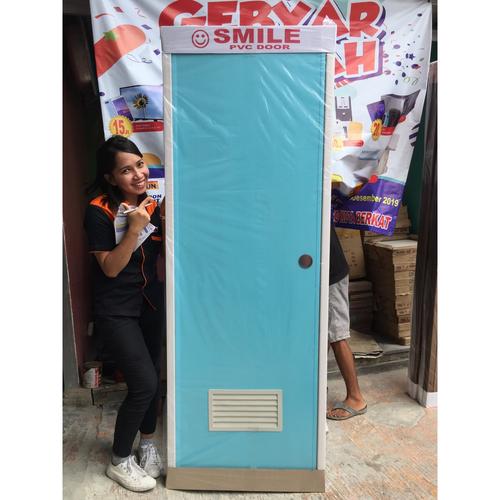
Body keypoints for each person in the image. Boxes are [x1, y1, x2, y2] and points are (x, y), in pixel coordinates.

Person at [84, 135, 165, 492]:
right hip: (116, 309)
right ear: (110, 177)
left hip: (150, 302)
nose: (138, 174)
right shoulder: (98, 210)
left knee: (154, 377)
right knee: (143, 383)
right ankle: (119, 460)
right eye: (126, 170)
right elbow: (111, 268)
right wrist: (133, 230)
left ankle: (147, 443)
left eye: (140, 165)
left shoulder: (152, 204)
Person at [327, 225, 368, 420]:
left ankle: (356, 398)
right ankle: (319, 386)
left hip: (331, 276)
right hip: (326, 271)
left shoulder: (314, 205)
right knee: (325, 334)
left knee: (337, 336)